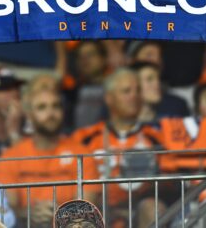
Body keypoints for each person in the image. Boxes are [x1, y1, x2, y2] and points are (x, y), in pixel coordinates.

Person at [71, 68, 167, 228]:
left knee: (153, 208)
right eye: (126, 91)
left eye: (137, 90)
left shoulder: (156, 138)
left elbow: (170, 180)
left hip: (139, 211)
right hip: (95, 209)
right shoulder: (84, 138)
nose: (134, 96)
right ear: (109, 99)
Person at [0, 87, 99, 226]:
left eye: (56, 106)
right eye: (42, 107)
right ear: (29, 114)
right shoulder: (11, 156)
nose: (50, 113)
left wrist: (59, 215)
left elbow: (86, 206)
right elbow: (7, 207)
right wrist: (29, 213)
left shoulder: (82, 153)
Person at [72, 41, 109, 129]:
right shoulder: (70, 94)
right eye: (80, 56)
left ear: (103, 59)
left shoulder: (115, 90)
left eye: (90, 54)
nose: (85, 60)